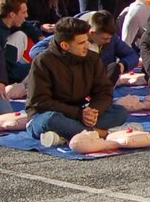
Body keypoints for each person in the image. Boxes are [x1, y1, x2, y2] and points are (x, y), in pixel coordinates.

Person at [24, 16, 129, 148]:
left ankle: (66, 135)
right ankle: (103, 134)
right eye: (80, 43)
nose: (86, 46)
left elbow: (104, 91)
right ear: (65, 45)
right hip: (48, 114)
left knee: (120, 112)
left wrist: (94, 111)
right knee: (51, 120)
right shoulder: (43, 62)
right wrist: (78, 114)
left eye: (86, 41)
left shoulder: (92, 59)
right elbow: (40, 102)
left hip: (80, 114)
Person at [0, 0, 33, 83]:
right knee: (37, 70)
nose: (26, 15)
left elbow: (27, 25)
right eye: (24, 12)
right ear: (12, 15)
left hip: (3, 66)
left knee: (20, 35)